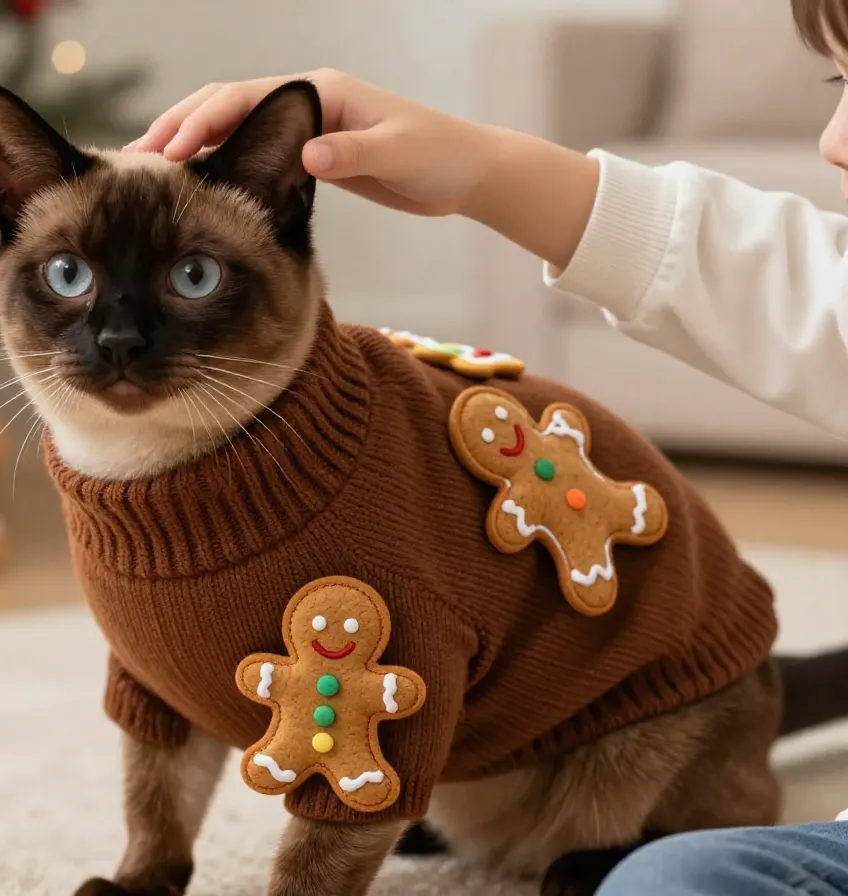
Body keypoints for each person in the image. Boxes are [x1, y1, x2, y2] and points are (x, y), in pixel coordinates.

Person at [124, 0, 848, 891]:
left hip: (649, 735)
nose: (833, 143)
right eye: (838, 82)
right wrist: (482, 168)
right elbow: (780, 277)